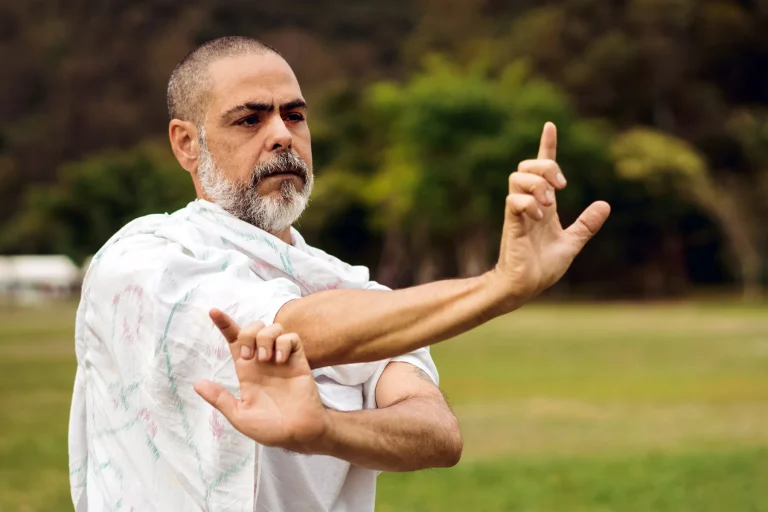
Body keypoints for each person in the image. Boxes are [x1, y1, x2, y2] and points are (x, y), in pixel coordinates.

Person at [68, 36, 610, 512]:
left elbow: (437, 432)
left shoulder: (352, 289)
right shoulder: (144, 258)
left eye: (294, 115)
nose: (281, 134)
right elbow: (289, 329)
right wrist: (501, 286)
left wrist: (326, 431)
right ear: (187, 143)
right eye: (250, 119)